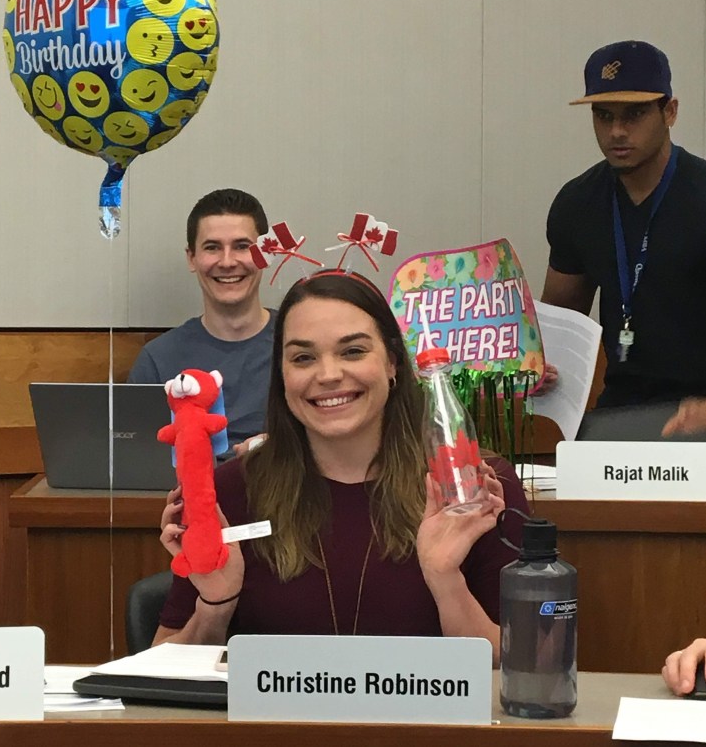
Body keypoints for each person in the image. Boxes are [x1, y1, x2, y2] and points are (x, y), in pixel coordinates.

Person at [152, 269, 529, 663]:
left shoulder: (475, 485)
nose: (328, 375)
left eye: (353, 351)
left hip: (426, 726)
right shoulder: (229, 489)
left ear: (393, 363)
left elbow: (526, 666)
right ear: (282, 376)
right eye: (303, 358)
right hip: (275, 725)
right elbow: (160, 668)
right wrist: (216, 603)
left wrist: (446, 580)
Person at [540, 40, 706, 408]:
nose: (616, 131)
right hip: (622, 407)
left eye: (633, 115)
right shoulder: (577, 203)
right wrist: (540, 366)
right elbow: (558, 328)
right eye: (604, 115)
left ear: (670, 112)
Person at [127, 188, 276, 457]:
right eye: (212, 247)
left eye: (242, 246)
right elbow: (136, 458)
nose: (228, 262)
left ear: (265, 255)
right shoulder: (157, 359)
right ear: (192, 258)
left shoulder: (300, 344)